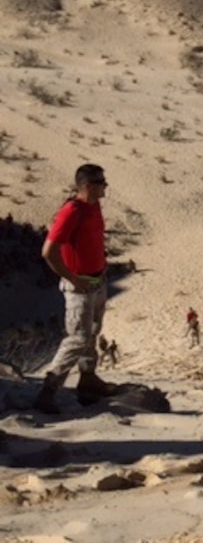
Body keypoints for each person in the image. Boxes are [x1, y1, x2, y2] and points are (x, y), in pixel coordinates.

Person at [34, 164, 117, 413]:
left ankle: (88, 379)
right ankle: (48, 390)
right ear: (88, 186)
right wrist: (71, 277)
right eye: (101, 182)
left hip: (97, 281)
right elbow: (48, 252)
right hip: (79, 286)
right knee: (77, 338)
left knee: (92, 331)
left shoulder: (94, 206)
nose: (105, 186)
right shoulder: (71, 211)